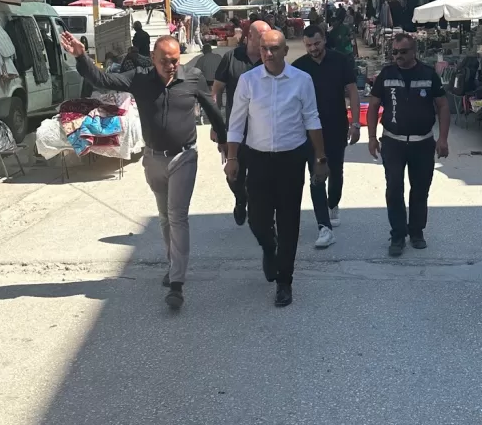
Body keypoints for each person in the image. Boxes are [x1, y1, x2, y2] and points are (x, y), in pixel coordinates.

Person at [59, 30, 227, 312]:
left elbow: (211, 108)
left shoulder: (192, 77)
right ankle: (173, 264)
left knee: (177, 216)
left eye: (175, 60)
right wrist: (81, 56)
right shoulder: (139, 77)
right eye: (165, 61)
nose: (171, 66)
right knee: (163, 218)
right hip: (153, 159)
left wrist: (224, 140)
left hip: (184, 156)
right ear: (153, 58)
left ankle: (177, 284)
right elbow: (102, 80)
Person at [225, 30, 327, 307]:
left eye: (274, 49)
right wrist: (232, 158)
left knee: (289, 221)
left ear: (285, 51)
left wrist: (320, 159)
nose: (268, 54)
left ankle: (285, 281)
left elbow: (312, 118)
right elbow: (236, 123)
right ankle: (269, 249)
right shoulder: (248, 82)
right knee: (257, 219)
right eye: (264, 49)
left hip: (291, 159)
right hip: (257, 159)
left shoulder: (302, 81)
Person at [367, 31, 450, 257]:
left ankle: (416, 232)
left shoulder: (428, 74)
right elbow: (373, 105)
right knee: (394, 189)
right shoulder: (386, 74)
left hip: (422, 144)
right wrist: (372, 137)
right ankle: (397, 235)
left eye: (403, 52)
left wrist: (442, 139)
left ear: (414, 51)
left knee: (420, 189)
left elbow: (443, 106)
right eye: (394, 52)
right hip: (393, 143)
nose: (398, 56)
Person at [294, 24, 361, 247]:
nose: (313, 49)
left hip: (336, 126)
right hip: (310, 131)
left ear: (324, 40)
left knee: (336, 172)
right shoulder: (299, 67)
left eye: (317, 43)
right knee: (316, 176)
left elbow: (352, 90)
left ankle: (333, 203)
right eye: (309, 45)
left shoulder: (341, 60)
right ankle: (324, 226)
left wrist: (355, 124)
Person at [212, 20, 271, 226]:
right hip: (236, 129)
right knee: (233, 173)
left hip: (264, 130)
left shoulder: (270, 59)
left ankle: (260, 210)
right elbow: (216, 91)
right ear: (249, 37)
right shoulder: (231, 58)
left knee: (262, 175)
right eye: (262, 37)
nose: (266, 43)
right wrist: (215, 123)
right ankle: (240, 198)